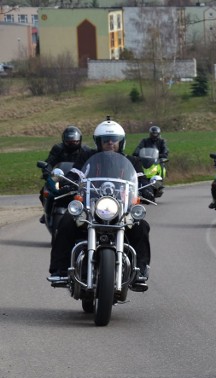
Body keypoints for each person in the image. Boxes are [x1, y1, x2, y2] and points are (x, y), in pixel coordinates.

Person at [48, 118, 154, 292]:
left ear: (121, 142)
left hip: (121, 210)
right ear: (99, 142)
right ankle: (60, 270)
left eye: (114, 140)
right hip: (90, 208)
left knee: (141, 226)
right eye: (105, 140)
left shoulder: (132, 161)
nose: (110, 143)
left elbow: (141, 179)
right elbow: (76, 173)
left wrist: (147, 189)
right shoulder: (87, 157)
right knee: (66, 221)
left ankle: (140, 271)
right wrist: (69, 183)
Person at [38, 126, 91, 223]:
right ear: (64, 140)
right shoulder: (58, 149)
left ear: (79, 140)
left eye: (74, 142)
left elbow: (90, 165)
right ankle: (47, 213)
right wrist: (47, 172)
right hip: (59, 179)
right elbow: (50, 162)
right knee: (44, 192)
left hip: (77, 180)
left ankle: (88, 216)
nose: (71, 144)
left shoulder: (85, 150)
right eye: (68, 142)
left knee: (89, 196)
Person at [132, 125, 168, 195]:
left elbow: (165, 151)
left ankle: (159, 183)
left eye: (155, 134)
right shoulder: (145, 141)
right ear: (150, 134)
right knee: (137, 167)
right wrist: (136, 153)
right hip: (145, 159)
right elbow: (138, 148)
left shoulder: (162, 141)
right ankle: (138, 183)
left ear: (158, 134)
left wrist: (161, 156)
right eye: (153, 134)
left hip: (157, 160)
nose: (154, 135)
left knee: (162, 166)